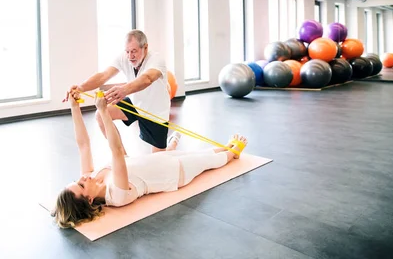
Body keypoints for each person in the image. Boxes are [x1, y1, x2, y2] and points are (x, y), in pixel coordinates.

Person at [51, 92, 248, 229]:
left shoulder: (90, 179)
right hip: (175, 172)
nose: (82, 178)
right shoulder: (116, 195)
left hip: (156, 160)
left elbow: (83, 145)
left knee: (201, 152)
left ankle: (173, 146)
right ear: (90, 199)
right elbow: (117, 151)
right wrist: (103, 112)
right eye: (81, 185)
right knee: (211, 159)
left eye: (77, 181)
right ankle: (233, 152)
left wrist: (74, 107)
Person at [68, 30, 172, 153]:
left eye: (134, 51)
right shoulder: (124, 57)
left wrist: (124, 90)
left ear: (145, 47)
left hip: (155, 112)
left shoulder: (156, 59)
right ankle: (122, 158)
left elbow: (147, 79)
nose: (130, 56)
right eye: (127, 51)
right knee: (101, 114)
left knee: (159, 162)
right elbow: (103, 75)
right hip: (135, 104)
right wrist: (81, 88)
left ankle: (173, 142)